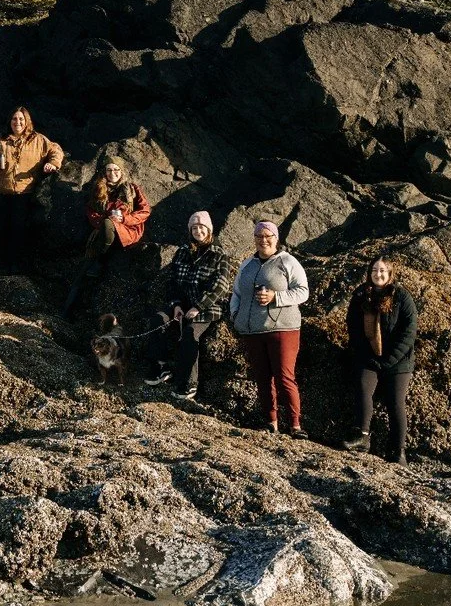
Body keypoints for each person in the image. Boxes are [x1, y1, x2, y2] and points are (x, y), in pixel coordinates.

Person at [144, 210, 236, 404]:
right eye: (194, 228)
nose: (198, 231)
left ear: (209, 229)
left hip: (207, 308)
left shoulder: (220, 256)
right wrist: (176, 305)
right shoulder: (183, 251)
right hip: (181, 304)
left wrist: (198, 306)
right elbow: (173, 281)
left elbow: (221, 287)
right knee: (157, 320)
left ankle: (188, 382)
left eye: (202, 227)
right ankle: (161, 367)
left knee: (190, 334)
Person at [230, 220, 309, 437]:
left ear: (276, 238)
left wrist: (276, 297)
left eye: (268, 236)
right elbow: (236, 293)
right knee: (263, 378)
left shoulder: (287, 262)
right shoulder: (246, 265)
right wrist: (235, 315)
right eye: (259, 236)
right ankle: (271, 422)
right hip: (252, 330)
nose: (263, 240)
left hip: (283, 329)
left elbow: (303, 292)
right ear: (254, 239)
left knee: (284, 377)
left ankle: (295, 425)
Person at [343, 255, 419, 466]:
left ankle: (397, 451)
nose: (378, 274)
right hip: (369, 358)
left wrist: (389, 360)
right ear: (369, 273)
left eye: (383, 271)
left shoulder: (402, 297)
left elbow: (409, 332)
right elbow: (354, 329)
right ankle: (363, 437)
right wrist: (367, 357)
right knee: (363, 388)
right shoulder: (360, 295)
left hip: (399, 361)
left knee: (395, 401)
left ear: (390, 274)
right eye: (375, 270)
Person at [0, 106, 63, 272]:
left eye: (21, 119)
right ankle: (2, 265)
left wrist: (52, 164)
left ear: (27, 122)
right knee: (1, 228)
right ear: (10, 121)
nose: (17, 122)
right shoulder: (0, 139)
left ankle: (17, 266)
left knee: (19, 229)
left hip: (24, 192)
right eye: (14, 119)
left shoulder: (38, 140)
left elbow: (56, 150)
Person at [63, 158, 150, 316]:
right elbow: (91, 211)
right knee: (83, 270)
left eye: (116, 170)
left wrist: (124, 219)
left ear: (122, 171)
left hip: (127, 231)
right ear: (105, 172)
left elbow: (145, 211)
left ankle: (99, 259)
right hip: (104, 231)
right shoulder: (99, 189)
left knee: (94, 254)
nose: (113, 173)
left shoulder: (132, 189)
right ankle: (66, 312)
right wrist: (102, 222)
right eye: (109, 170)